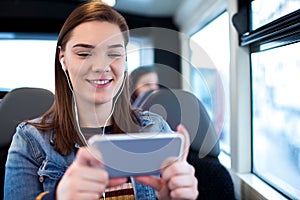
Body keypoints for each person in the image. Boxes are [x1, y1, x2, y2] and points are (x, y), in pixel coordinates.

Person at [4, 1, 198, 200]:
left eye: (114, 54)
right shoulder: (30, 140)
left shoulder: (155, 129)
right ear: (63, 59)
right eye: (84, 54)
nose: (101, 66)